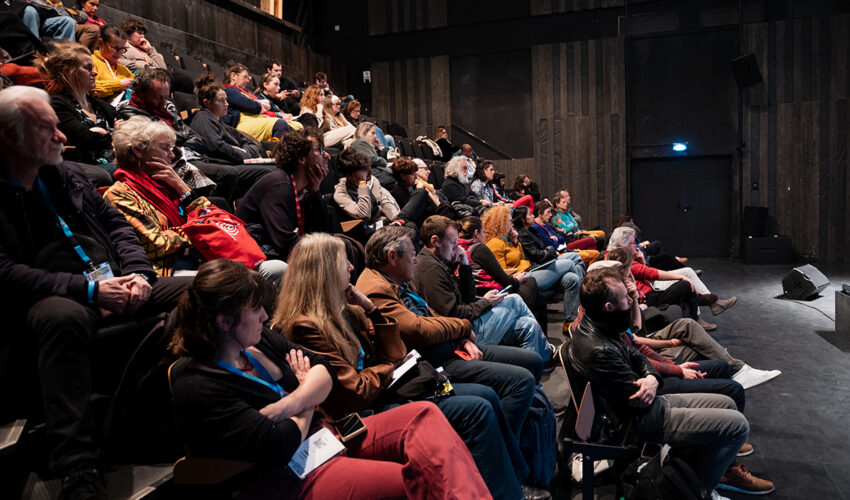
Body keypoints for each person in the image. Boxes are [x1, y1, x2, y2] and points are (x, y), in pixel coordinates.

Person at [0, 85, 192, 500]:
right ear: (10, 136)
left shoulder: (69, 174)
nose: (62, 136)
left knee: (210, 286)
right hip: (52, 295)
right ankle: (77, 463)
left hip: (116, 279)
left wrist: (139, 273)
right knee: (62, 318)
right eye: (48, 129)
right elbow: (5, 272)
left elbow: (118, 226)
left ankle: (174, 416)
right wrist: (88, 290)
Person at [169, 259, 490, 500]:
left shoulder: (257, 339)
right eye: (255, 310)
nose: (265, 316)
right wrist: (309, 395)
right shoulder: (196, 383)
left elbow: (323, 370)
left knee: (425, 415)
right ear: (224, 322)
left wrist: (294, 402)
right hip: (280, 476)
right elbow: (279, 444)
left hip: (324, 436)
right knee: (414, 480)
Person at [273, 234, 536, 499]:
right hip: (359, 415)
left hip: (389, 389)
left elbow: (397, 351)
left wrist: (372, 311)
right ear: (324, 272)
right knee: (478, 408)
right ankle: (507, 492)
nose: (352, 267)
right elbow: (357, 390)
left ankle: (513, 482)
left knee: (491, 395)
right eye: (344, 262)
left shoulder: (349, 309)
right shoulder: (306, 327)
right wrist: (388, 367)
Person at [567, 265, 775, 496]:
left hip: (648, 407)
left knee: (728, 403)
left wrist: (651, 377)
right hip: (642, 422)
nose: (631, 300)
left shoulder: (601, 325)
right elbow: (641, 400)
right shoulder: (599, 349)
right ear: (609, 307)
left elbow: (636, 356)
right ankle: (700, 490)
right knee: (738, 426)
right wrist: (656, 377)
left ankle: (697, 472)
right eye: (626, 298)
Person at [355, 227, 542, 434]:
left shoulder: (400, 278)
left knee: (532, 356)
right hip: (434, 361)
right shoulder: (383, 286)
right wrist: (463, 328)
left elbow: (434, 313)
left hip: (452, 343)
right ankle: (510, 441)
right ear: (392, 257)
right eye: (411, 254)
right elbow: (419, 328)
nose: (458, 248)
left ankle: (526, 426)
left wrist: (463, 337)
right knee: (518, 379)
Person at [103, 115, 286, 282]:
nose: (172, 155)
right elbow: (156, 244)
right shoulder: (119, 193)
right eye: (165, 148)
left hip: (202, 257)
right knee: (244, 282)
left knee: (278, 268)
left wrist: (182, 188)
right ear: (138, 151)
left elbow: (213, 217)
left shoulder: (168, 182)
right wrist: (201, 232)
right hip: (168, 269)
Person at [118, 67, 271, 202]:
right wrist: (178, 140)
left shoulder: (167, 110)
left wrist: (177, 140)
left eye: (166, 96)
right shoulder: (130, 111)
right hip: (171, 162)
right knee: (232, 175)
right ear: (141, 92)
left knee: (264, 172)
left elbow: (198, 140)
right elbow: (159, 141)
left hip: (190, 157)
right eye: (158, 97)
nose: (164, 102)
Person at [413, 215, 551, 361]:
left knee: (529, 325)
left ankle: (541, 364)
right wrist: (486, 302)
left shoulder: (438, 263)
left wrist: (465, 265)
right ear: (435, 241)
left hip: (466, 325)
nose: (456, 248)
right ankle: (548, 352)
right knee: (515, 300)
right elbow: (453, 314)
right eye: (453, 242)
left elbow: (468, 299)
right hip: (462, 335)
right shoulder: (431, 269)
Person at [607, 226, 736, 330]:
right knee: (686, 281)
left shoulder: (622, 255)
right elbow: (648, 273)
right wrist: (680, 277)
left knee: (686, 275)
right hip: (648, 293)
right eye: (633, 242)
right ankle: (706, 306)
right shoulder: (619, 259)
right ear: (623, 245)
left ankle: (706, 308)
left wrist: (641, 260)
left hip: (649, 288)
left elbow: (643, 274)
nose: (636, 245)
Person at [236, 129, 332, 261]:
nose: (327, 155)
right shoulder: (279, 185)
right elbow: (284, 243)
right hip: (250, 258)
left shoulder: (300, 189)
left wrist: (315, 191)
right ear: (301, 158)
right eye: (319, 150)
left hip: (274, 252)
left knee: (344, 245)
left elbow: (324, 233)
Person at [486, 206, 584, 331]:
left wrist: (515, 242)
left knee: (572, 278)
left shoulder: (507, 240)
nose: (512, 223)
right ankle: (584, 307)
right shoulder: (495, 243)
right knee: (569, 263)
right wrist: (522, 268)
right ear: (501, 223)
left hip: (528, 271)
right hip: (520, 279)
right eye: (509, 221)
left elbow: (521, 259)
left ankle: (570, 322)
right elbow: (503, 273)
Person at [38, 41, 116, 185]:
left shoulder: (100, 105)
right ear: (67, 71)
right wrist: (115, 134)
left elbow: (128, 128)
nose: (95, 72)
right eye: (88, 68)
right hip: (84, 167)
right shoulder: (58, 105)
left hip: (111, 161)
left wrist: (105, 134)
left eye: (93, 67)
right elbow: (88, 139)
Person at [457, 216, 548, 330]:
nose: (512, 224)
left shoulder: (458, 247)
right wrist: (517, 280)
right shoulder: (481, 248)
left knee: (539, 296)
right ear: (476, 233)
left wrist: (515, 243)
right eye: (483, 232)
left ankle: (532, 331)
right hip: (487, 294)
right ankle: (533, 331)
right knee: (531, 282)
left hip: (479, 294)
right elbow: (505, 278)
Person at [189, 72, 264, 164]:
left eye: (226, 99)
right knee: (268, 170)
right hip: (218, 165)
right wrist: (244, 154)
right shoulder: (203, 118)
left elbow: (251, 143)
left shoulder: (220, 122)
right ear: (207, 102)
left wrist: (244, 151)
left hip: (235, 162)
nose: (226, 104)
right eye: (221, 100)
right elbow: (217, 148)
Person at [222, 61, 291, 142]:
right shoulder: (229, 90)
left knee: (296, 126)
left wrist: (260, 104)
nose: (248, 80)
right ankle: (275, 149)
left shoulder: (246, 92)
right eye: (245, 77)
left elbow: (268, 104)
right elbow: (252, 105)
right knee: (281, 125)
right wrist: (260, 104)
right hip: (242, 123)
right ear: (233, 76)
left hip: (255, 118)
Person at [333, 148, 399, 229]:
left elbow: (385, 202)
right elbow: (364, 215)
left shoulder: (372, 180)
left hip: (386, 224)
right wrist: (362, 183)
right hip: (367, 230)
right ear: (349, 174)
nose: (370, 171)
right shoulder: (341, 194)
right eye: (364, 169)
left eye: (368, 167)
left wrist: (397, 220)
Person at [530, 200, 600, 267]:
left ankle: (585, 271)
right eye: (548, 212)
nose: (551, 215)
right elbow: (549, 245)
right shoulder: (536, 227)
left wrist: (554, 239)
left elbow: (561, 238)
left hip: (564, 246)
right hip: (557, 254)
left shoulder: (547, 224)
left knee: (594, 250)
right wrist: (554, 239)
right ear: (540, 213)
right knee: (593, 253)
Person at [21, 0, 99, 50]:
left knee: (68, 21)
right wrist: (61, 11)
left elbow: (83, 16)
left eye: (97, 5)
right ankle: (32, 51)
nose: (95, 8)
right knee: (30, 10)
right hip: (38, 19)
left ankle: (66, 57)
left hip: (50, 22)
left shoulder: (59, 4)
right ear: (83, 3)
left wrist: (59, 10)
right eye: (92, 4)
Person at [91, 24, 134, 104]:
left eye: (122, 49)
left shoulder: (123, 69)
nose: (118, 53)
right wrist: (119, 85)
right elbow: (89, 88)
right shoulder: (91, 62)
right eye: (115, 48)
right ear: (101, 43)